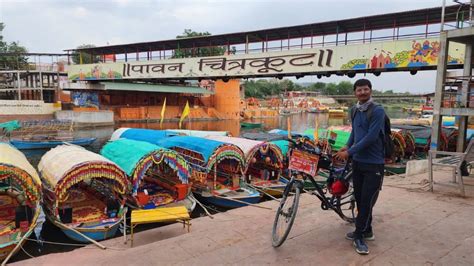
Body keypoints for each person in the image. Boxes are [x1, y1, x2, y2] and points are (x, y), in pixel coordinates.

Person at [335, 78, 385, 255]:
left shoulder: (377, 110)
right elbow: (355, 132)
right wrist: (348, 146)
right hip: (358, 162)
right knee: (360, 198)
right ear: (355, 92)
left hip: (374, 163)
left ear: (370, 90)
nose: (362, 92)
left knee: (366, 201)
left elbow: (371, 137)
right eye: (359, 90)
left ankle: (359, 236)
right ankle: (367, 230)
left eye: (365, 89)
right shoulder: (354, 110)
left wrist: (349, 152)